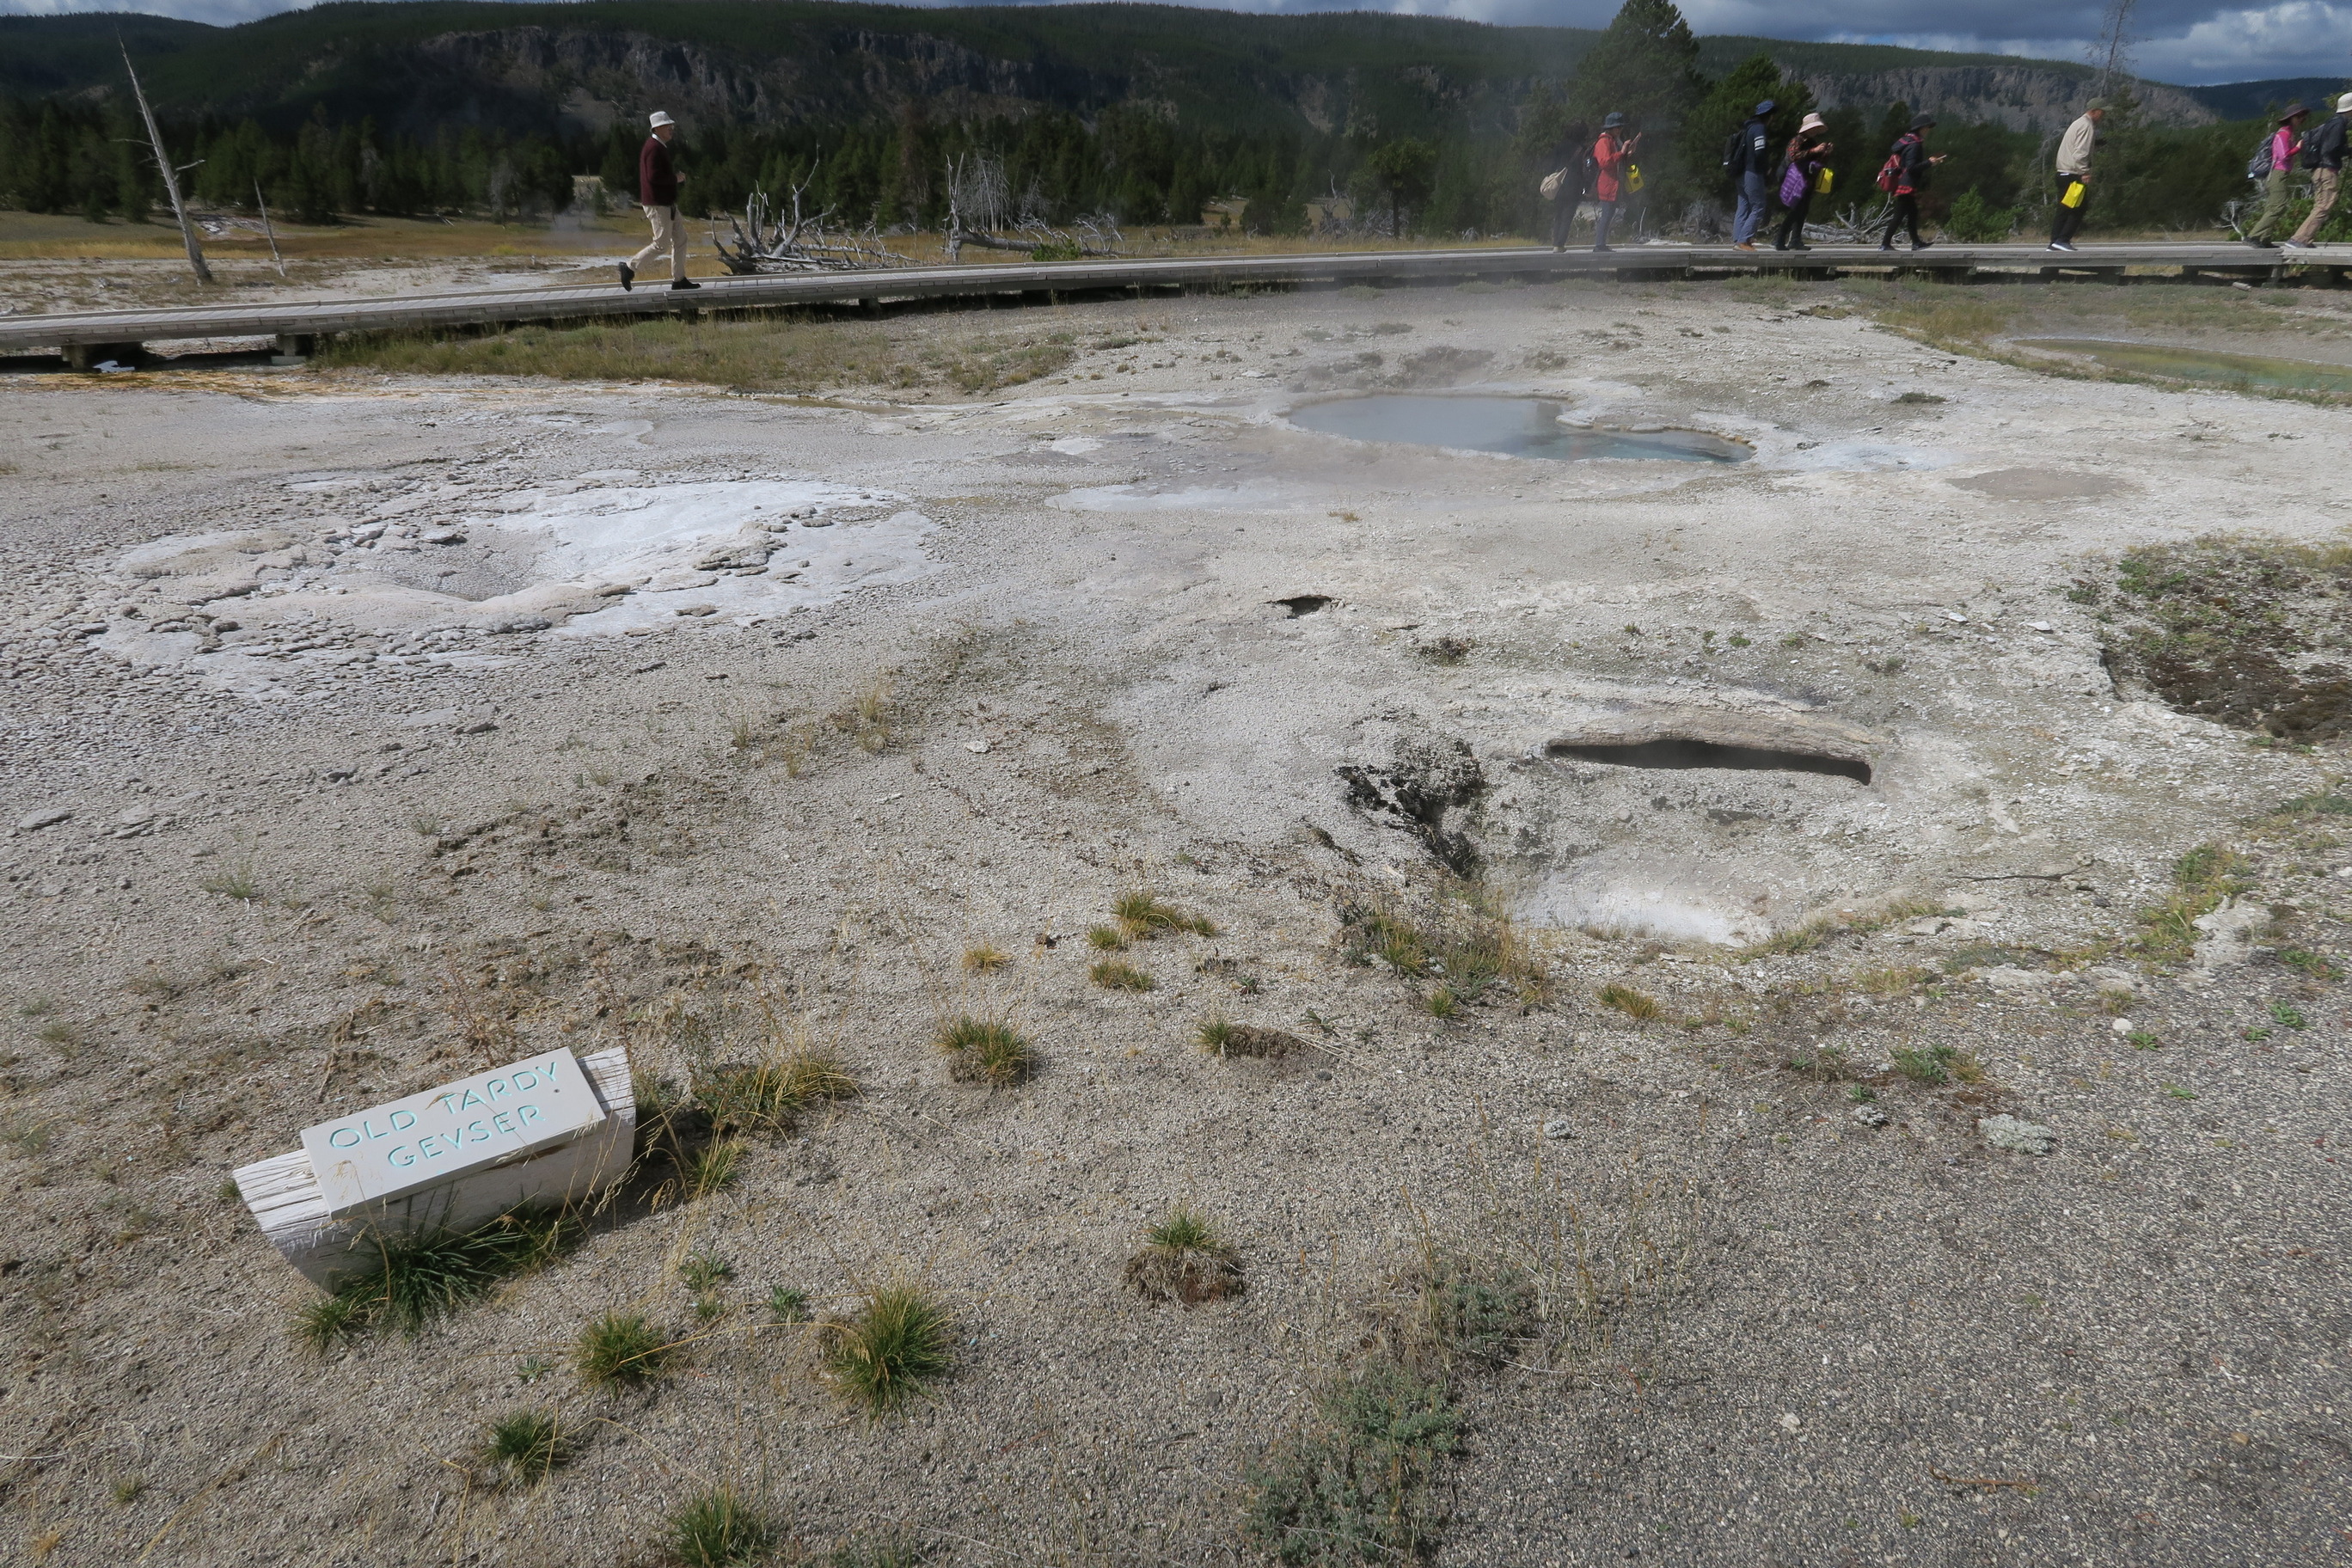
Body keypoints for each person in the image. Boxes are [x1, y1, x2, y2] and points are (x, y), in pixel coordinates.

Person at [620, 110, 699, 291]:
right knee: (661, 244)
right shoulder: (653, 148)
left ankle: (679, 280)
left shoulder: (658, 146)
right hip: (657, 204)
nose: (671, 128)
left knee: (681, 239)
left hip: (666, 203)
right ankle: (630, 267)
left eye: (671, 125)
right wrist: (675, 178)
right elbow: (653, 177)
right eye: (667, 126)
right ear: (657, 128)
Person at [2283, 92, 2352, 250]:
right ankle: (2300, 239)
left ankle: (2303, 238)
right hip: (2327, 169)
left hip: (2319, 169)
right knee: (2325, 205)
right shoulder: (2339, 125)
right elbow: (2331, 148)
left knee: (2320, 204)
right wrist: (2348, 151)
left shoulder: (2331, 122)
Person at [2243, 102, 2311, 248]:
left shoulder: (2288, 134)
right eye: (2299, 117)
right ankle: (2253, 236)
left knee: (2273, 206)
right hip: (2277, 174)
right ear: (2291, 118)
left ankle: (2264, 239)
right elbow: (2283, 155)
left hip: (2281, 174)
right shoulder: (2283, 134)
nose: (2301, 120)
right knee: (2278, 206)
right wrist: (2298, 147)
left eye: (2302, 118)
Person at [2047, 99, 2107, 253]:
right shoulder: (2087, 126)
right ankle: (2063, 239)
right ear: (2094, 111)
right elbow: (2080, 153)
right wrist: (2085, 171)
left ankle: (2055, 241)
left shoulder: (2078, 123)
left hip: (2063, 172)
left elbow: (2077, 146)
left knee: (2065, 208)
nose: (2104, 115)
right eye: (2102, 111)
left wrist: (2095, 145)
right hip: (2073, 174)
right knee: (2078, 208)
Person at [1877, 113, 1944, 251]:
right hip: (1906, 184)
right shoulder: (1915, 145)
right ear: (1921, 128)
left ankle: (1916, 242)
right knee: (1900, 215)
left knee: (1912, 213)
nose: (1928, 130)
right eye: (1927, 127)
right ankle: (1885, 244)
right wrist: (1929, 163)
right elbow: (1911, 167)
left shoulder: (1907, 142)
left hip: (1903, 183)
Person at [1773, 113, 1832, 252]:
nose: (1816, 131)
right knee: (1797, 210)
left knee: (1803, 210)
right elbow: (1793, 156)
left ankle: (1795, 240)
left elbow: (1817, 163)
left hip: (1806, 180)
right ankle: (1780, 239)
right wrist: (1814, 150)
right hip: (1795, 180)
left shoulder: (1812, 142)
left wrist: (1825, 153)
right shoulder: (1797, 140)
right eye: (1815, 128)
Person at [1590, 113, 1641, 252]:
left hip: (1613, 184)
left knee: (1609, 214)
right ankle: (1599, 245)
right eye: (1617, 127)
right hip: (1606, 184)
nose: (1619, 130)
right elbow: (1605, 162)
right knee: (1606, 215)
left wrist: (1627, 153)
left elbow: (1615, 160)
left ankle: (1601, 244)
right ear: (1610, 128)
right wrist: (1622, 152)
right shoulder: (1604, 142)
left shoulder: (1613, 140)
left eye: (1620, 127)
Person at [1730, 98, 1775, 250]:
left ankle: (1738, 239)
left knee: (1743, 206)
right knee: (1758, 206)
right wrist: (1766, 169)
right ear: (1769, 115)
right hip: (1753, 172)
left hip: (1740, 173)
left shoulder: (1748, 128)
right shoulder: (1759, 129)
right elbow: (1760, 152)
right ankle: (1744, 240)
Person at [1546, 124, 1590, 251]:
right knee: (1567, 216)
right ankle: (1560, 244)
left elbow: (1552, 165)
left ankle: (1555, 242)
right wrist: (1587, 186)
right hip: (1575, 185)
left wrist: (1550, 177)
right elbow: (1585, 170)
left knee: (1558, 215)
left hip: (1559, 184)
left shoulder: (1560, 146)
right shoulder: (1582, 149)